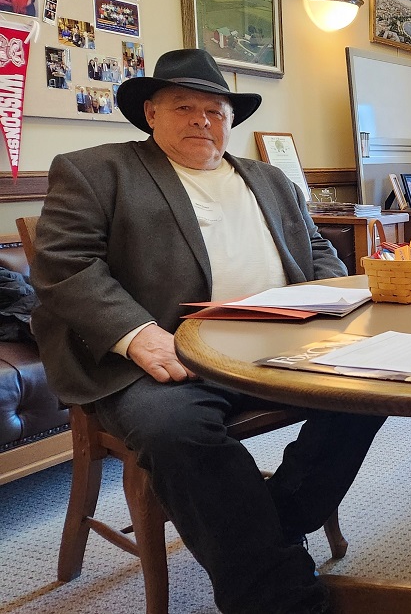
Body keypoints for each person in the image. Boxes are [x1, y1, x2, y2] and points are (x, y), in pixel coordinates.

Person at [29, 49, 386, 614]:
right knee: (176, 432)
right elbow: (63, 263)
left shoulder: (271, 179)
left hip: (280, 342)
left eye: (214, 110)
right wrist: (139, 334)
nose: (202, 119)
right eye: (184, 106)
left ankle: (266, 527)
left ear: (230, 119)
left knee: (373, 387)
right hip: (166, 357)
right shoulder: (96, 170)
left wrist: (326, 302)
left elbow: (317, 251)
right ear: (150, 113)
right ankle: (282, 597)